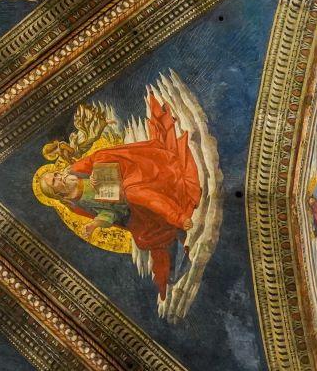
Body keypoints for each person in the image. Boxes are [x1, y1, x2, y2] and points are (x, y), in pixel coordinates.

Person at [38, 126, 201, 300]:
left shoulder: (75, 170)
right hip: (123, 206)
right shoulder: (75, 205)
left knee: (134, 191)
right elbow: (109, 214)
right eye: (54, 181)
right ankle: (176, 258)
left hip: (129, 173)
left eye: (56, 174)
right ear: (56, 193)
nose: (59, 177)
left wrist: (97, 175)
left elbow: (99, 159)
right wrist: (95, 224)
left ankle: (177, 217)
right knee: (144, 238)